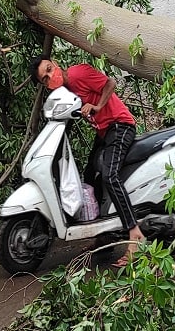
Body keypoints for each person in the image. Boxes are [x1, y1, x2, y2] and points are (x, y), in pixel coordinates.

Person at [33, 55, 145, 267]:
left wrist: (97, 106)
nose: (50, 76)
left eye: (49, 69)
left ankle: (135, 233)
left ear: (56, 62)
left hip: (120, 125)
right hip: (104, 132)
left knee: (109, 175)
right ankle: (106, 237)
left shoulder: (78, 73)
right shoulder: (64, 92)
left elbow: (110, 83)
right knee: (89, 177)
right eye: (45, 79)